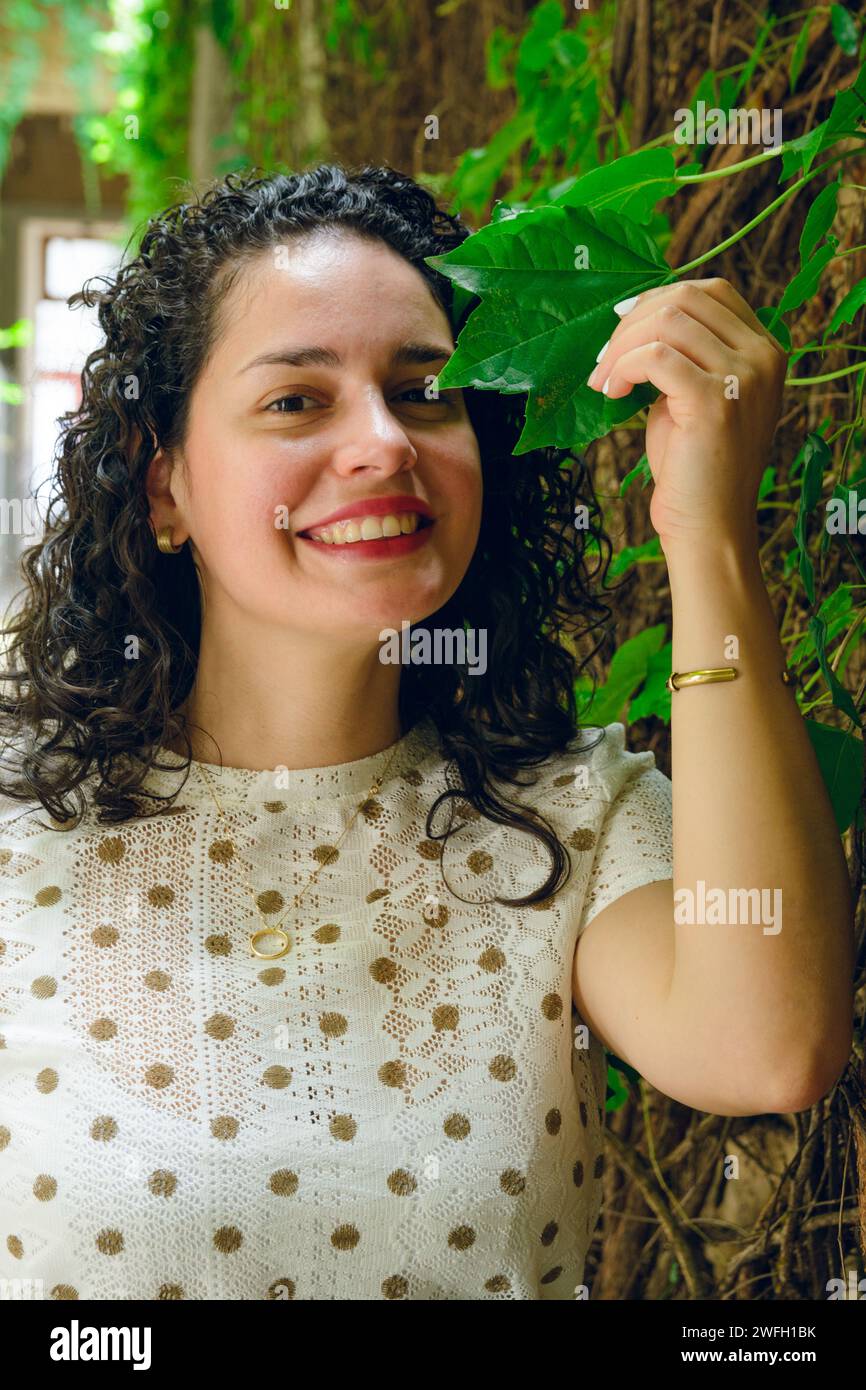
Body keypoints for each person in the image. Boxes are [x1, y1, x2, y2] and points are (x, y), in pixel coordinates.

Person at [0, 164, 853, 1301]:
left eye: (423, 391)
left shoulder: (563, 818)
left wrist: (705, 534)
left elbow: (765, 1049)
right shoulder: (19, 823)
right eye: (297, 400)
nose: (383, 443)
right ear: (166, 488)